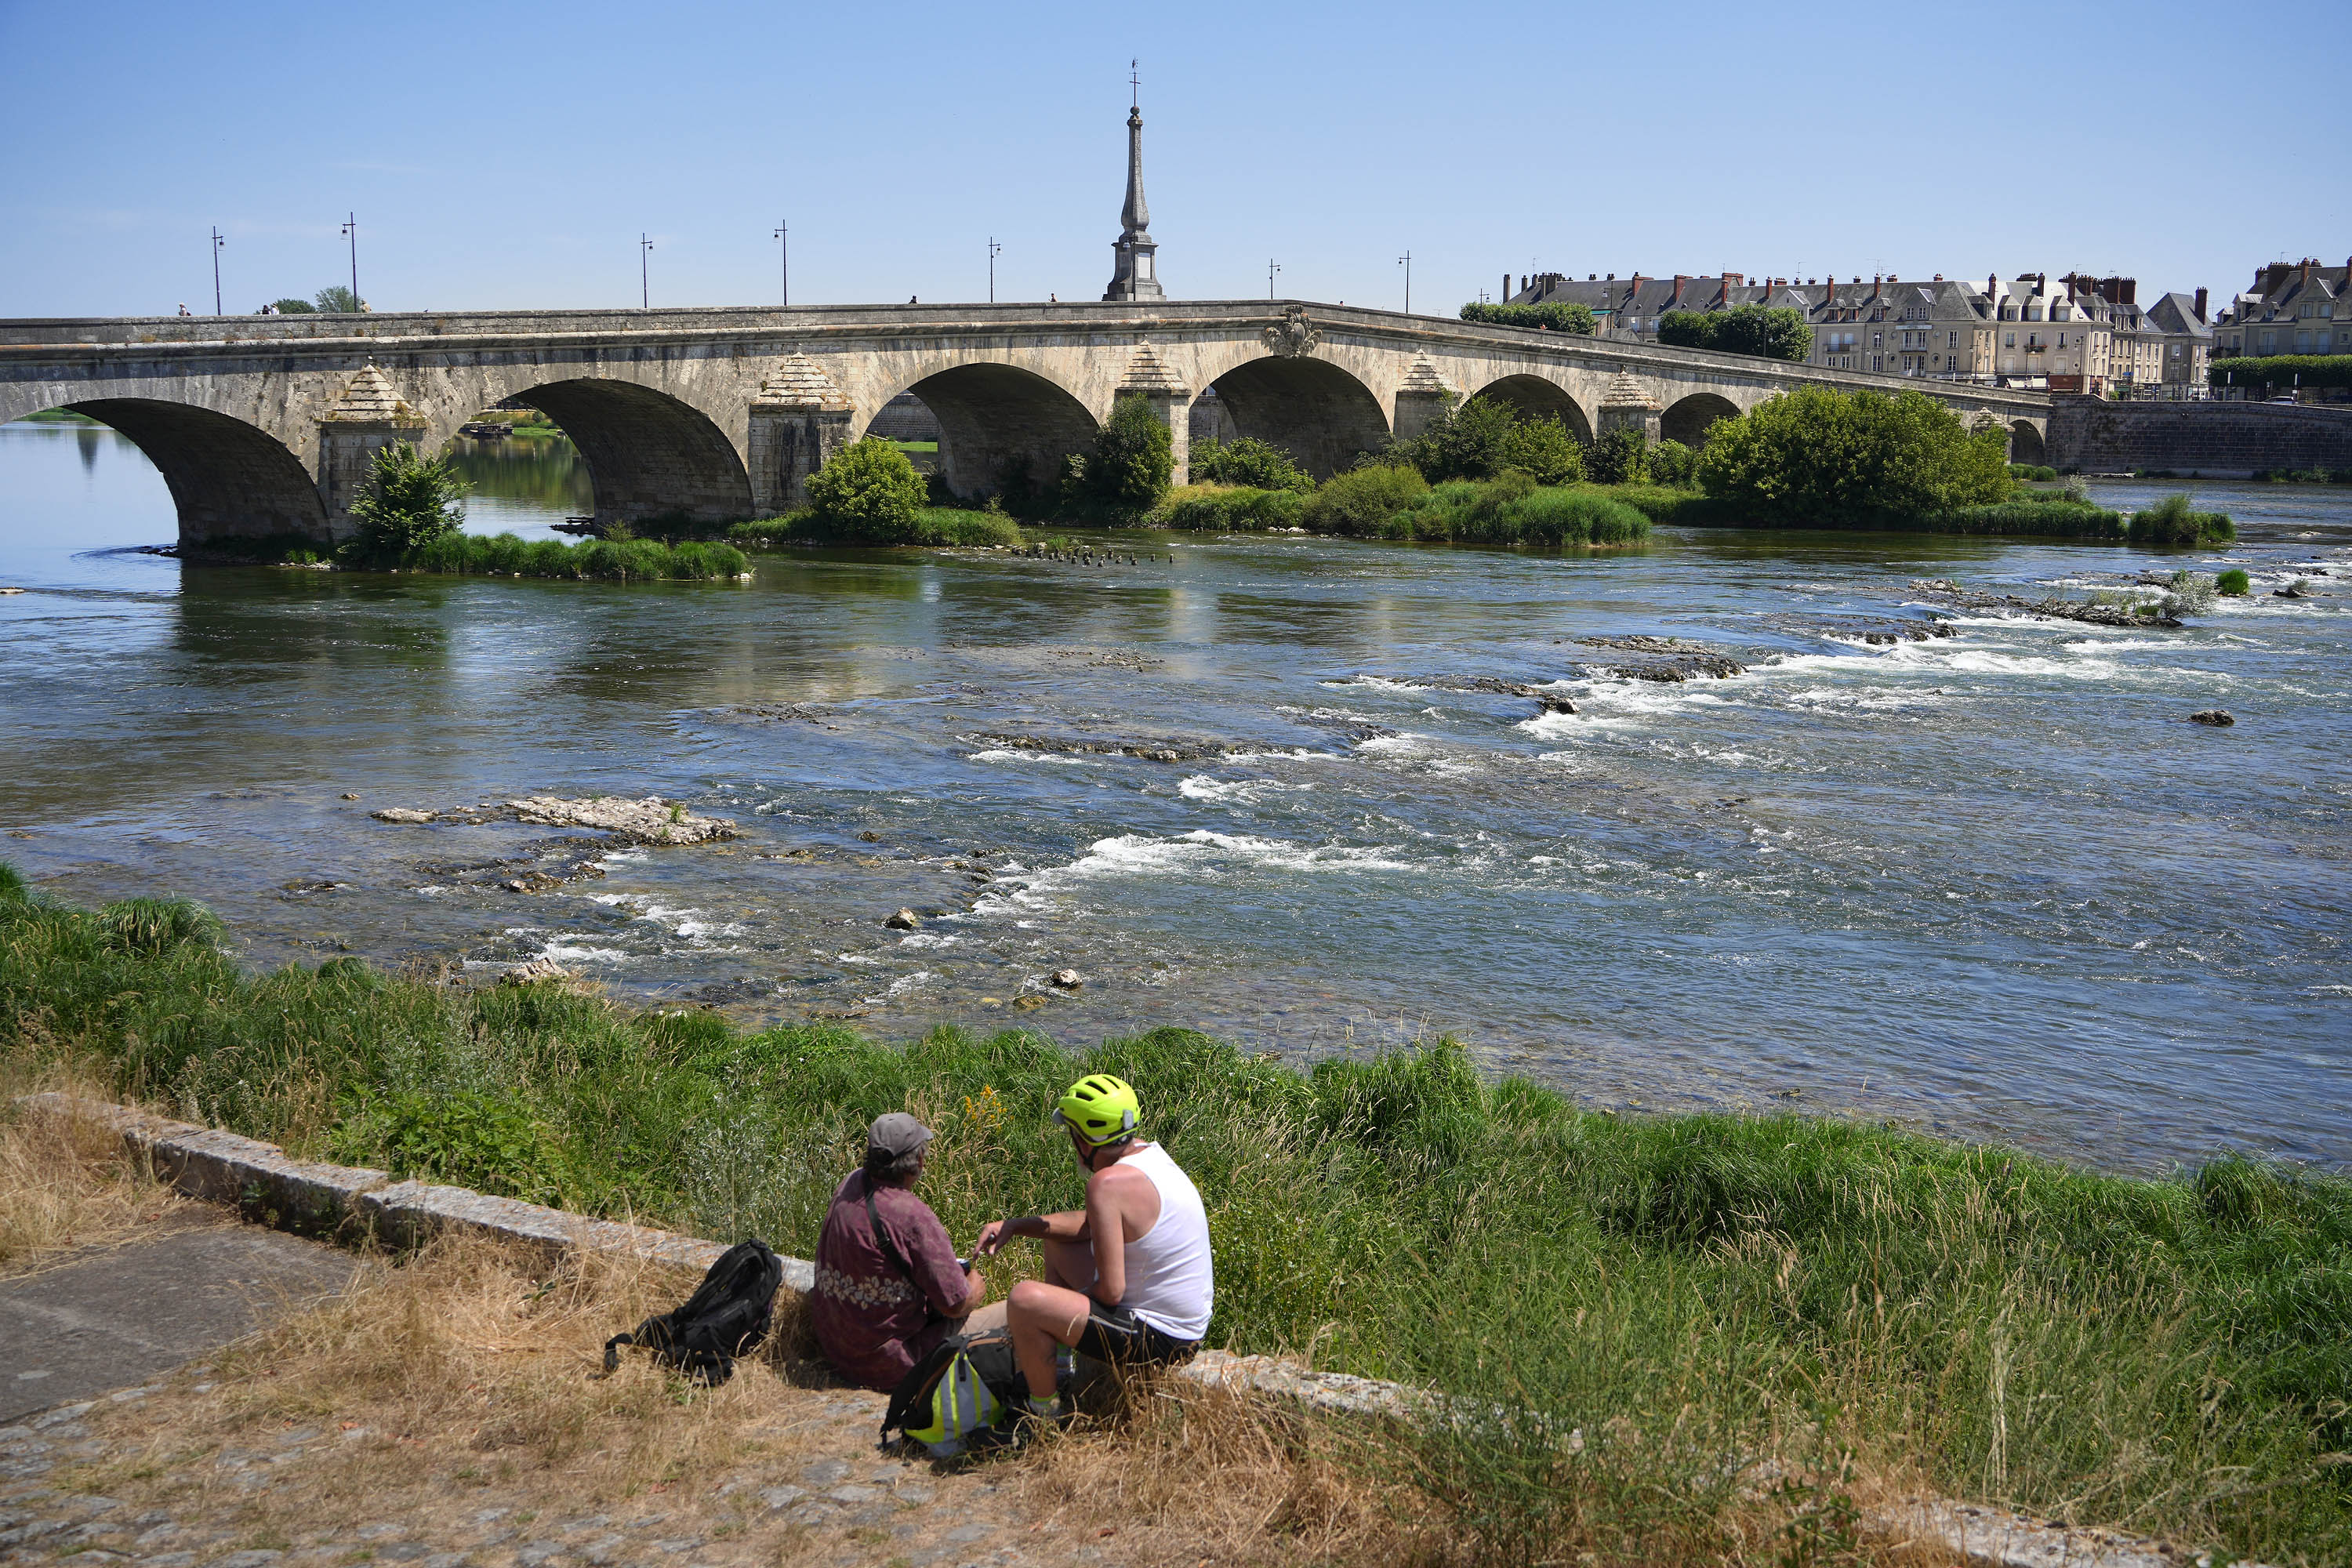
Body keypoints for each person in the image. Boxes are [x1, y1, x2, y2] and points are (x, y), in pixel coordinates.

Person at [971, 1075, 1213, 1428]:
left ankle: (1044, 1416)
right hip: (1185, 1328)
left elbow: (1111, 1292)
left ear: (1084, 1139)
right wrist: (1018, 1225)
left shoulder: (1105, 1184)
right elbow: (1091, 1225)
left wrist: (1054, 1314)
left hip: (1160, 1338)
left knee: (1025, 1300)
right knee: (1054, 1238)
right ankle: (1062, 1367)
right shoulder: (1151, 1159)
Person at [811, 1112, 987, 1390]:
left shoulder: (851, 1183)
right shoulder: (913, 1217)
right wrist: (976, 1285)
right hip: (887, 1366)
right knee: (1013, 1316)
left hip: (836, 1349)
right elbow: (955, 1305)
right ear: (918, 1161)